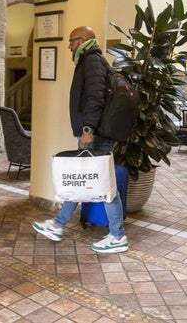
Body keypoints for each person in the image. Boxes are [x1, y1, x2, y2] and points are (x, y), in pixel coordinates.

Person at [32, 26, 128, 253]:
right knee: (80, 180)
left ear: (83, 40)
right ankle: (58, 224)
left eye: (71, 41)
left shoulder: (92, 61)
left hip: (96, 134)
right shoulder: (89, 60)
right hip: (95, 132)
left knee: (106, 187)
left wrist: (88, 129)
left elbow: (95, 98)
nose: (69, 46)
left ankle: (117, 236)